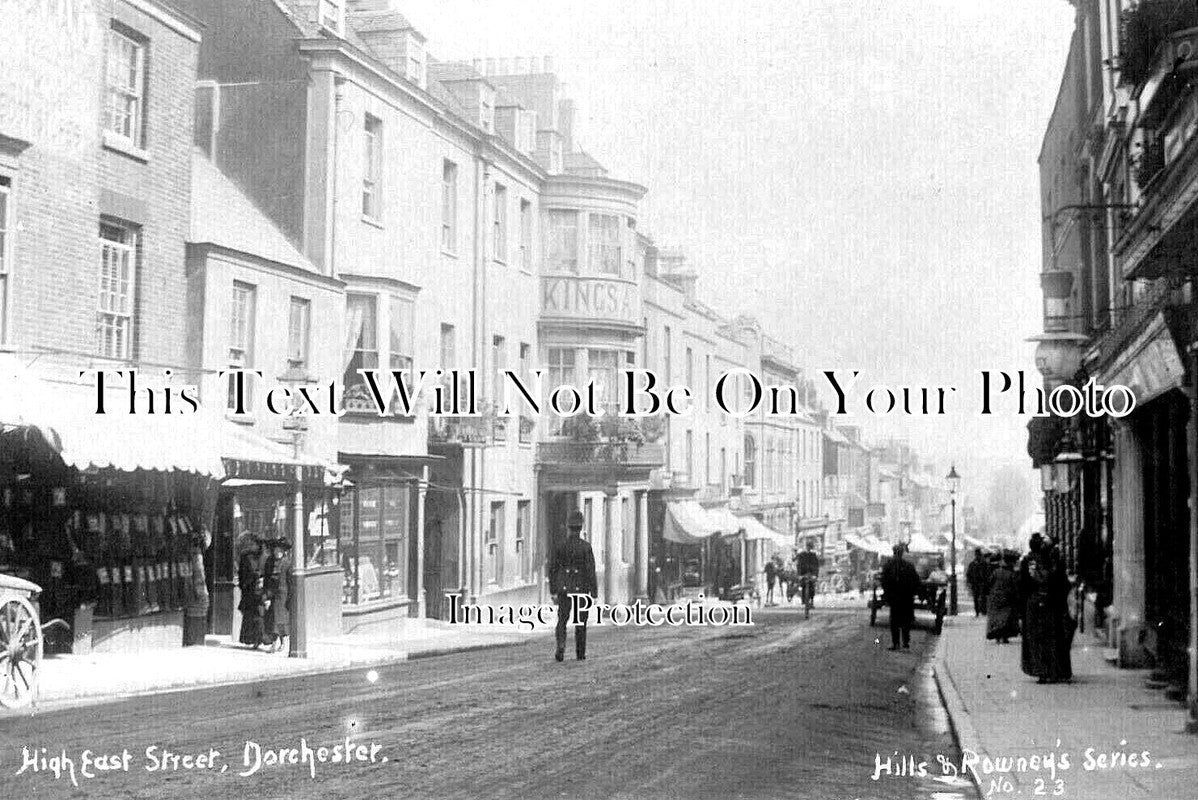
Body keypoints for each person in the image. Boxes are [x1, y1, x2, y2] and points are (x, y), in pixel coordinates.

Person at [1020, 535, 1073, 683]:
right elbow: (1061, 584)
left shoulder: (1028, 561)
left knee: (1036, 639)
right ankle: (1054, 671)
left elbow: (1024, 585)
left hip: (1034, 604)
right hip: (1051, 604)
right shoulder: (1051, 561)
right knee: (1053, 638)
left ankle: (1041, 671)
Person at [549, 510, 598, 662]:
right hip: (581, 590)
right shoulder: (586, 547)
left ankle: (561, 646)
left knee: (562, 620)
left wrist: (553, 590)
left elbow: (553, 569)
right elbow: (591, 570)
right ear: (581, 527)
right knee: (580, 622)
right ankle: (580, 653)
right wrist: (594, 593)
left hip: (564, 588)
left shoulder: (560, 546)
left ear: (568, 528)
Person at [880, 542, 921, 650]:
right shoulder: (908, 566)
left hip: (894, 598)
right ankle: (906, 642)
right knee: (906, 620)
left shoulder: (888, 565)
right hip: (906, 598)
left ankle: (896, 643)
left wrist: (887, 594)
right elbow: (916, 581)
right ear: (902, 553)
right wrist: (912, 593)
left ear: (894, 552)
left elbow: (884, 582)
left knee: (894, 621)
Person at [262, 538, 292, 653]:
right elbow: (267, 580)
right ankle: (274, 643)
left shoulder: (287, 563)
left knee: (281, 620)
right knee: (272, 619)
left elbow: (290, 582)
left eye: (280, 550)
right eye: (276, 550)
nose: (277, 552)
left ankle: (283, 642)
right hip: (272, 594)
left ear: (284, 551)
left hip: (283, 595)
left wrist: (289, 598)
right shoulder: (270, 562)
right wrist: (266, 596)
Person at [237, 533, 267, 649]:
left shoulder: (264, 557)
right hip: (248, 590)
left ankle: (259, 639)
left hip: (259, 590)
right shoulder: (245, 556)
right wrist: (243, 584)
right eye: (251, 544)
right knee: (249, 616)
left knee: (259, 615)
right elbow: (241, 573)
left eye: (254, 544)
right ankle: (250, 638)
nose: (252, 546)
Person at [985, 551, 1021, 644]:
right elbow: (1015, 587)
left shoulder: (996, 572)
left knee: (996, 617)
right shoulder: (1011, 574)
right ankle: (1004, 636)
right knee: (1006, 618)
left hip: (995, 598)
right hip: (1007, 598)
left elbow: (989, 583)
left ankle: (997, 635)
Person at [966, 548, 992, 616]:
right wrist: (970, 582)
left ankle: (982, 611)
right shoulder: (973, 564)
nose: (978, 556)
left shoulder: (983, 564)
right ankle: (977, 611)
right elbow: (969, 574)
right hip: (975, 583)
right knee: (976, 598)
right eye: (977, 554)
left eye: (979, 554)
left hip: (981, 583)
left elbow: (987, 573)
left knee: (982, 597)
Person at [796, 541, 820, 607]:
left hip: (811, 574)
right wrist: (799, 575)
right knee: (803, 586)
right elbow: (799, 565)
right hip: (803, 574)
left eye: (810, 547)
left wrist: (815, 575)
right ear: (806, 547)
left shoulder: (813, 555)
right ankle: (803, 600)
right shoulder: (801, 555)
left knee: (812, 587)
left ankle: (811, 601)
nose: (808, 548)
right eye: (808, 547)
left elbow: (816, 566)